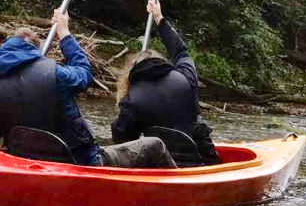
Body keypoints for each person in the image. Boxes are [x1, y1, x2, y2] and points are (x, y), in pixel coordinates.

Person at [0, 9, 176, 168]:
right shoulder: (56, 76)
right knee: (154, 145)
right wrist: (64, 32)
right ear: (35, 49)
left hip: (24, 162)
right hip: (81, 162)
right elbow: (84, 73)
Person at [112, 0, 220, 165]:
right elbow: (181, 52)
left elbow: (122, 139)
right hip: (199, 162)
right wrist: (159, 18)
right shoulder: (185, 78)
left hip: (160, 165)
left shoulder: (131, 99)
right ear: (160, 61)